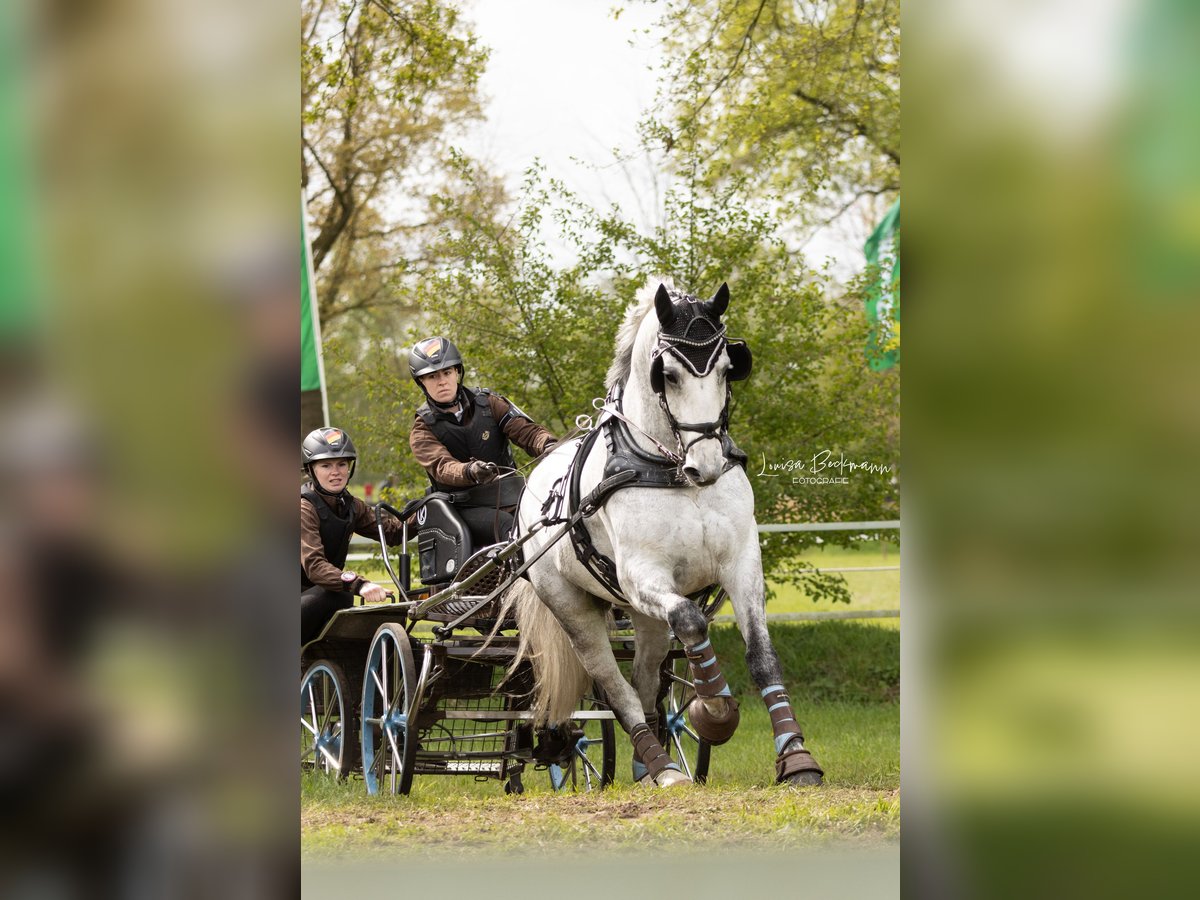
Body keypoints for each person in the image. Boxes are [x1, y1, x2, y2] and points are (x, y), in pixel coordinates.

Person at [408, 336, 558, 547]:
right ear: (421, 382)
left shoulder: (489, 403)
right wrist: (470, 471)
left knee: (556, 514)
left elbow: (527, 432)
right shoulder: (422, 429)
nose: (442, 381)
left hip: (514, 496)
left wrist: (548, 445)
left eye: (447, 372)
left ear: (457, 372)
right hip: (465, 509)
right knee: (511, 526)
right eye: (432, 376)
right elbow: (443, 467)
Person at [301, 426, 403, 645]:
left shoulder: (351, 505)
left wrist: (425, 511)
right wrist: (360, 584)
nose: (335, 472)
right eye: (326, 465)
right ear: (311, 470)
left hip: (314, 603)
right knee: (339, 595)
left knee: (345, 608)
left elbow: (393, 533)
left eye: (342, 464)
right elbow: (315, 566)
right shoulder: (303, 508)